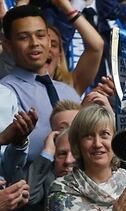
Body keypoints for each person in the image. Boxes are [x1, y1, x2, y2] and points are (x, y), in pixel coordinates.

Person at [1, 4, 82, 160]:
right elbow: (4, 161)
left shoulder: (68, 92)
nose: (34, 43)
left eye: (40, 35)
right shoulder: (5, 92)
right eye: (24, 37)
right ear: (8, 45)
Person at [43, 0, 104, 97]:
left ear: (60, 56)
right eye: (42, 44)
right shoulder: (13, 86)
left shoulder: (70, 87)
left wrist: (69, 9)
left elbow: (97, 46)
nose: (47, 49)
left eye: (53, 45)